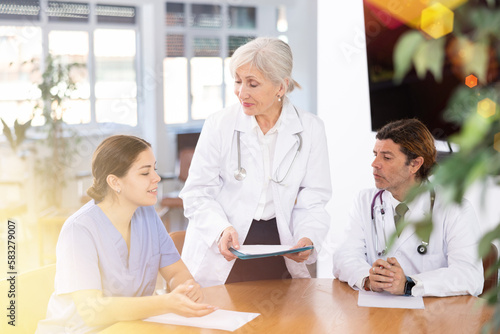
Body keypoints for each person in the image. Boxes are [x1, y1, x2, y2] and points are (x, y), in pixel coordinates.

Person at [179, 37, 332, 287]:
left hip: (280, 245)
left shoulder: (310, 128)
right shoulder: (219, 124)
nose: (241, 93)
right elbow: (197, 193)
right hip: (227, 242)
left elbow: (314, 198)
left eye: (252, 84)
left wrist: (308, 236)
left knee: (280, 321)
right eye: (238, 81)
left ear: (281, 87)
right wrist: (220, 229)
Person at [36, 135, 216, 334]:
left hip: (131, 327)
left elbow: (175, 272)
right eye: (145, 172)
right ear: (115, 182)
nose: (156, 178)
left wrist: (187, 289)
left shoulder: (148, 216)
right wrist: (165, 303)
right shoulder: (79, 229)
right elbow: (91, 311)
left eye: (154, 169)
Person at [333, 119, 484, 297]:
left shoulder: (455, 208)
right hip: (377, 312)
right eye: (375, 154)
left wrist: (409, 284)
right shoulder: (365, 200)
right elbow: (343, 257)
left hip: (432, 316)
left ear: (415, 164)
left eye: (386, 157)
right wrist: (367, 279)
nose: (374, 163)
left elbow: (470, 276)